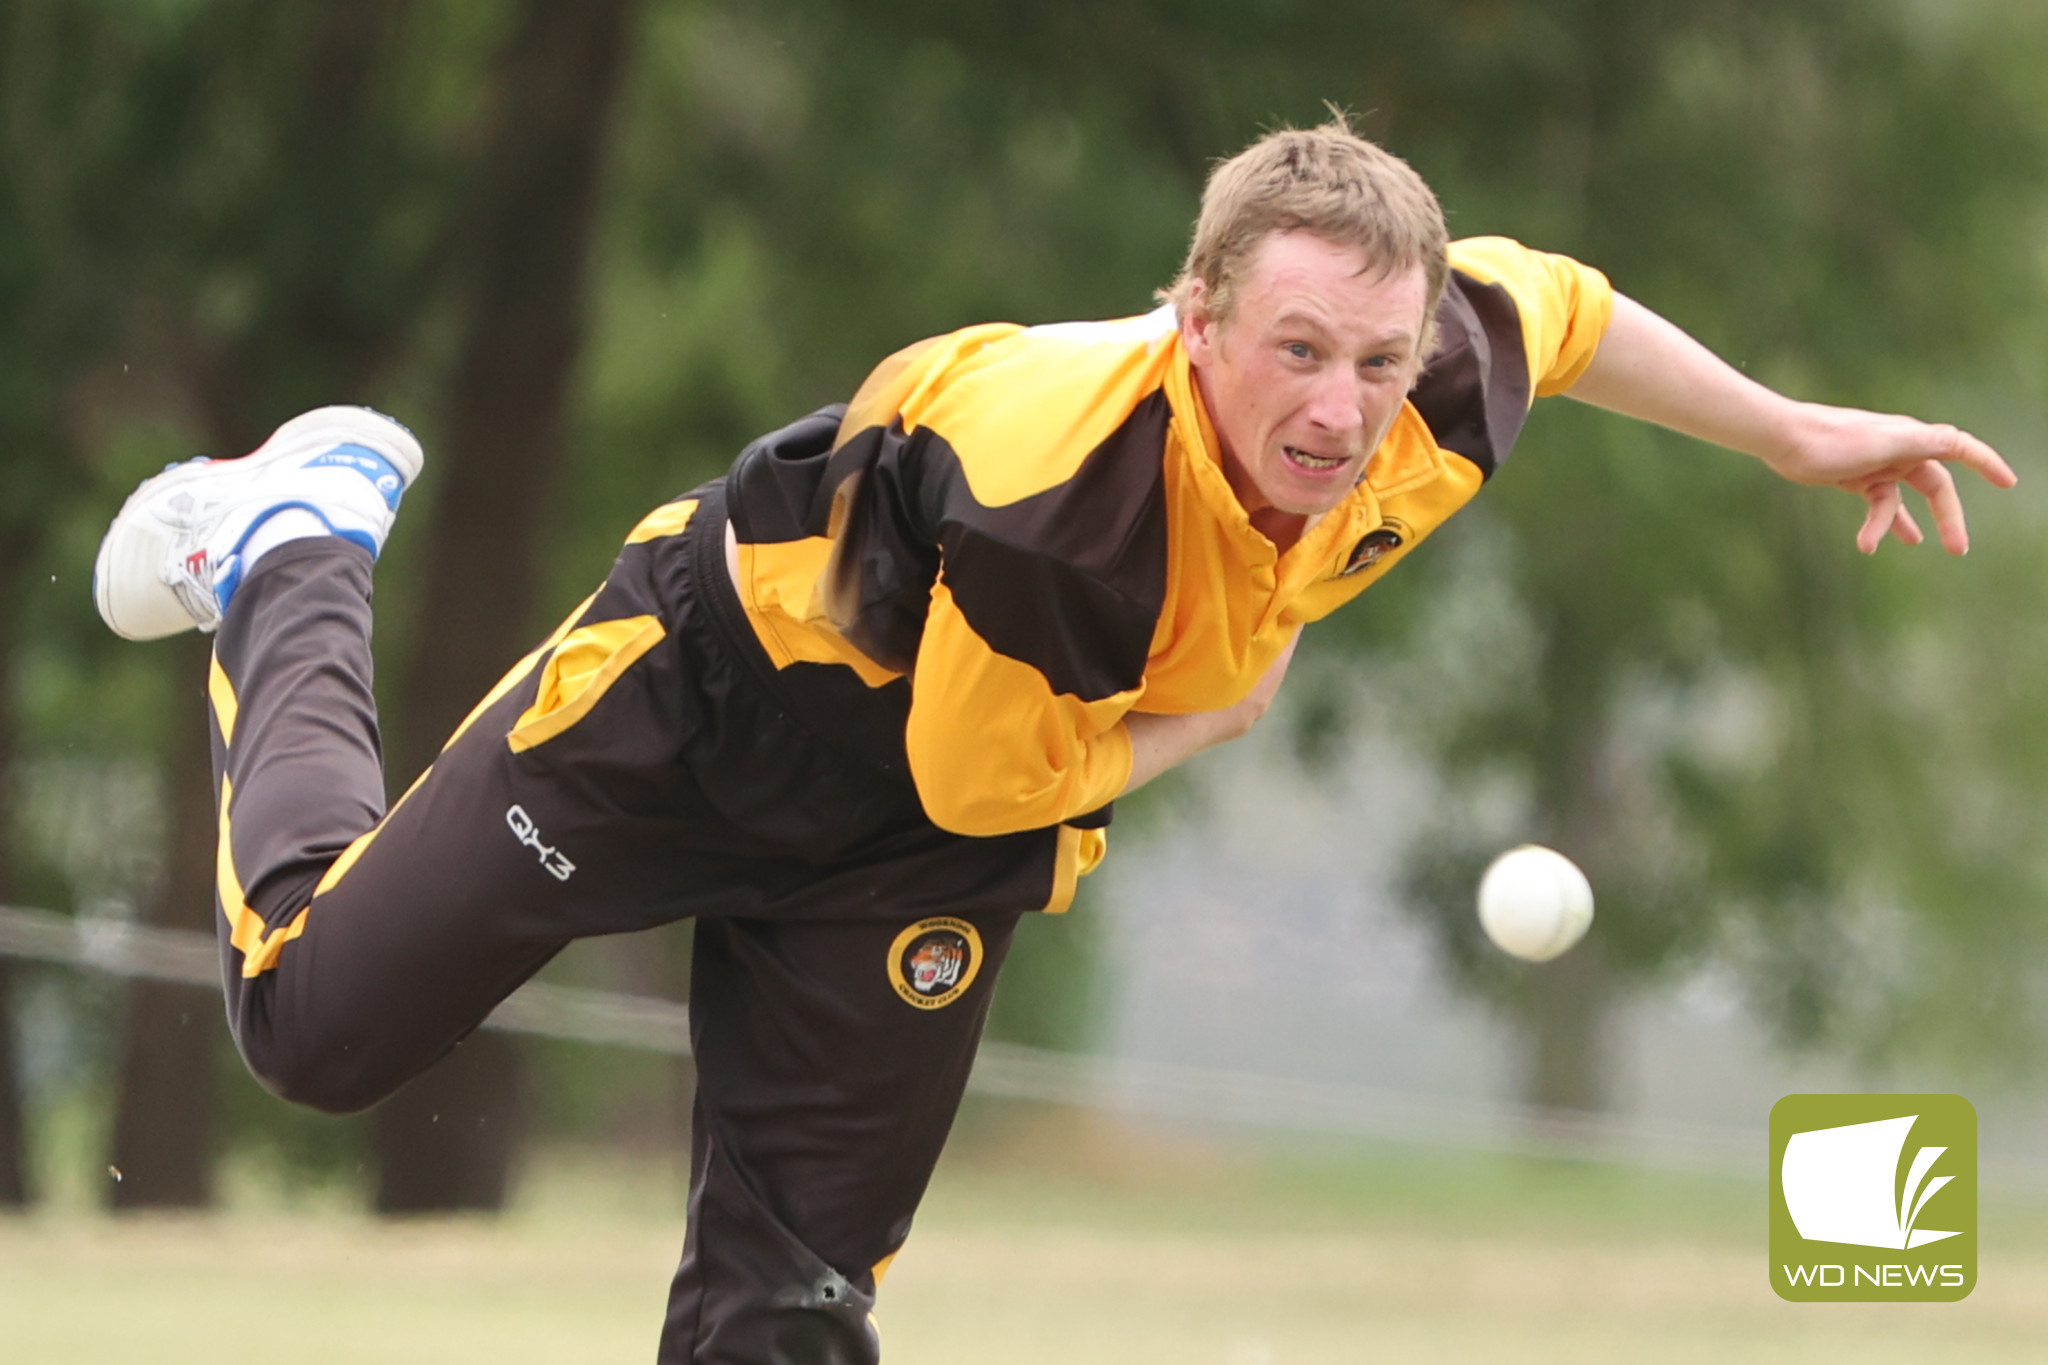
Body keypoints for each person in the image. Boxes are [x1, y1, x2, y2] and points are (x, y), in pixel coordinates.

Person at [90, 117, 2013, 1363]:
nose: (1343, 407)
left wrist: (1789, 431)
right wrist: (1213, 714)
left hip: (923, 833)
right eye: (1293, 353)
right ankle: (295, 537)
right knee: (315, 1026)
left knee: (792, 1315)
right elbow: (979, 774)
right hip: (706, 709)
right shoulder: (1062, 509)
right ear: (1194, 323)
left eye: (1377, 357)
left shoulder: (1434, 363)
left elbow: (1572, 312)